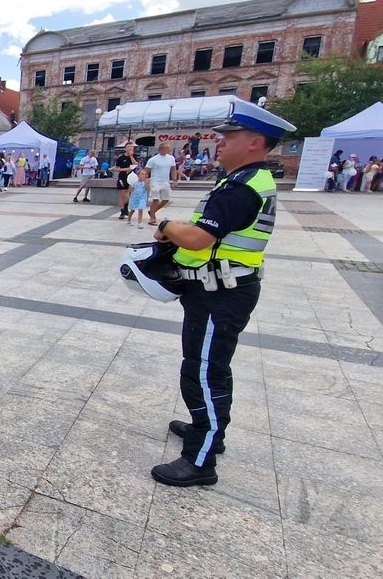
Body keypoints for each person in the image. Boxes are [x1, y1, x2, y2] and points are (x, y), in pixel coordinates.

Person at [151, 100, 295, 487]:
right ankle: (207, 428)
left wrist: (165, 222)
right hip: (218, 289)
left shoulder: (242, 188)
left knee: (203, 372)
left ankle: (200, 460)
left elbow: (199, 239)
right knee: (206, 366)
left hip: (221, 293)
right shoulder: (242, 181)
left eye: (229, 137)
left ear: (255, 142)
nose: (220, 143)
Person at [146, 143, 178, 225]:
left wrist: (174, 180)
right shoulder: (153, 159)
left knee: (166, 199)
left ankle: (152, 211)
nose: (169, 150)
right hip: (155, 181)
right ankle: (152, 218)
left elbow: (173, 169)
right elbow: (146, 170)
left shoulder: (171, 158)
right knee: (155, 199)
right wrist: (145, 180)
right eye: (167, 148)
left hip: (165, 182)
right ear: (161, 149)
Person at [112, 142, 138, 219]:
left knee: (129, 194)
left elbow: (135, 164)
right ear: (125, 148)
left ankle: (126, 207)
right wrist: (124, 169)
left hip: (131, 177)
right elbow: (116, 168)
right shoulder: (121, 158)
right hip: (122, 177)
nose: (130, 148)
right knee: (122, 193)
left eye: (131, 147)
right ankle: (122, 211)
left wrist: (131, 156)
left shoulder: (134, 156)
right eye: (128, 146)